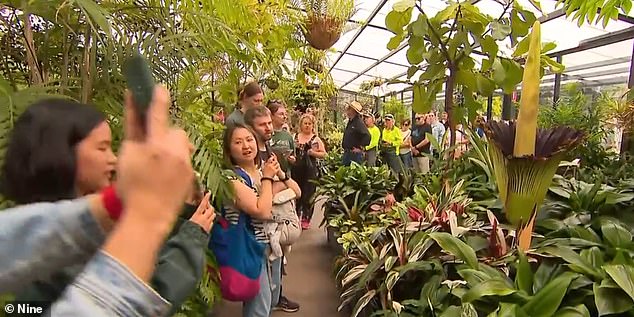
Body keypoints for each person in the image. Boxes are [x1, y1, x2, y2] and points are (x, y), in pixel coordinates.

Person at [0, 98, 211, 315]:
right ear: (63, 153)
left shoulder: (43, 229)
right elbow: (138, 296)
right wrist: (188, 238)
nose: (113, 159)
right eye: (103, 148)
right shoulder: (52, 260)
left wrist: (158, 206)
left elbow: (142, 252)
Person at [222, 123, 301, 316]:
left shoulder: (259, 172)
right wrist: (267, 180)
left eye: (249, 140)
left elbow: (297, 192)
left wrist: (279, 173)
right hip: (250, 247)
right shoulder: (232, 179)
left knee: (271, 300)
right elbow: (262, 211)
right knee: (258, 308)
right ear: (229, 149)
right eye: (238, 142)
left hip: (269, 246)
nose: (246, 146)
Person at [243, 107, 302, 314]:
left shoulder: (268, 150)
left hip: (274, 225)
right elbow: (258, 194)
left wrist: (280, 179)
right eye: (263, 124)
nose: (269, 127)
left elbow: (296, 190)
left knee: (271, 285)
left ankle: (274, 302)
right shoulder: (249, 156)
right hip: (258, 231)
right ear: (250, 128)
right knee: (259, 295)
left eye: (269, 123)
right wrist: (275, 181)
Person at [292, 114, 326, 229]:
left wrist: (313, 153)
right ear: (301, 124)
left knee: (309, 195)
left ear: (313, 125)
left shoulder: (315, 139)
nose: (307, 126)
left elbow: (324, 154)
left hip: (310, 170)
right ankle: (295, 217)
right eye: (305, 123)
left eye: (309, 124)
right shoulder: (295, 137)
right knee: (297, 194)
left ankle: (306, 218)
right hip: (296, 170)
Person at [267, 100, 296, 175]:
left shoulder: (288, 136)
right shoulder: (266, 134)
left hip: (286, 176)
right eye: (281, 114)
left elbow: (294, 156)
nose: (285, 117)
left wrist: (292, 160)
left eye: (285, 114)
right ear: (271, 116)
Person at [342, 101, 370, 166]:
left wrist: (360, 148)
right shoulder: (351, 122)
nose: (347, 110)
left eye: (349, 108)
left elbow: (367, 135)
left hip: (354, 155)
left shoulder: (358, 122)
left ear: (353, 111)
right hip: (348, 153)